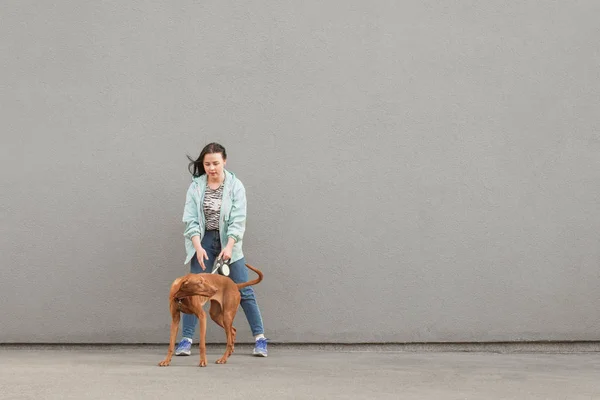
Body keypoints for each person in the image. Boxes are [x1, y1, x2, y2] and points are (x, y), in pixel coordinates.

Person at [176, 142, 268, 357]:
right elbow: (190, 220)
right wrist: (197, 247)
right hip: (204, 241)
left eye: (216, 163)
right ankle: (187, 340)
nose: (212, 168)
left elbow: (238, 220)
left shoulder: (236, 186)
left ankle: (260, 339)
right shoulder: (196, 186)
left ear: (224, 161)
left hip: (230, 243)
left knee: (243, 289)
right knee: (192, 291)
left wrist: (229, 246)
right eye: (207, 164)